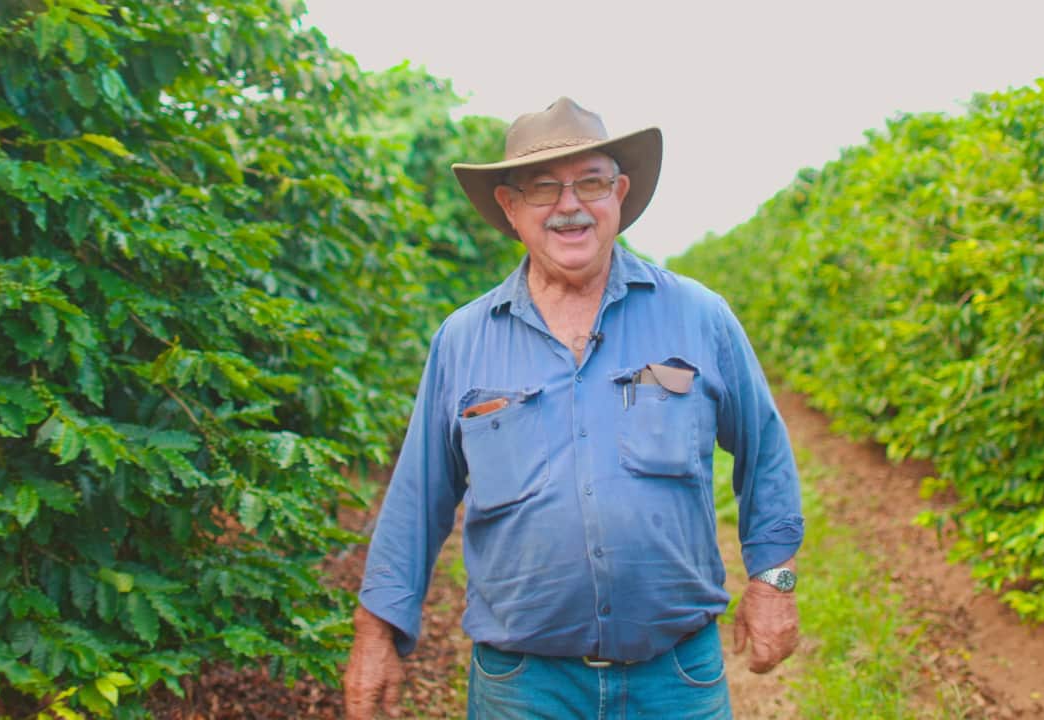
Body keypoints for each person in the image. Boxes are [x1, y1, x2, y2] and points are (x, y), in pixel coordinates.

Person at [344, 97, 804, 719]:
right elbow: (418, 495)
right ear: (509, 207)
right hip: (524, 687)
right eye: (543, 188)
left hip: (675, 679)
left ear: (620, 192)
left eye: (590, 182)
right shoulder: (464, 340)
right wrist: (377, 634)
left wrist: (772, 580)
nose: (570, 205)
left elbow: (765, 448)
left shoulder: (699, 316)